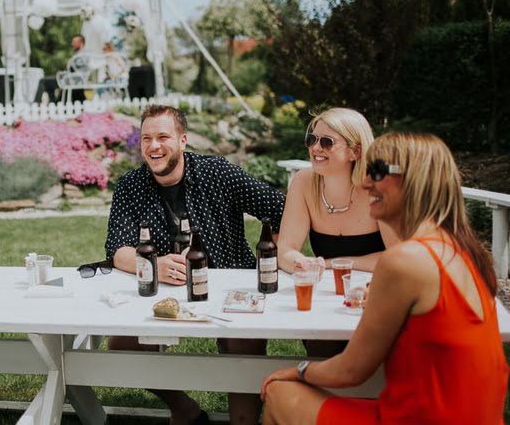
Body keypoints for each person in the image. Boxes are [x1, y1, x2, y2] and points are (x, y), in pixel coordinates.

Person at [260, 132, 508, 425]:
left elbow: (351, 371)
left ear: (413, 181)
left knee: (279, 391)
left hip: (419, 418)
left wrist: (297, 370)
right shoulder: (464, 251)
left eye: (376, 173)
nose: (365, 183)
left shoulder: (405, 261)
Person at [105, 104, 286, 425]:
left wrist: (283, 254)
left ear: (183, 140)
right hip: (167, 295)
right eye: (146, 138)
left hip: (231, 290)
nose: (154, 146)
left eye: (163, 136)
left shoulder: (218, 173)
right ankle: (185, 408)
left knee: (243, 418)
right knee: (121, 346)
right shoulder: (129, 186)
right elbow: (117, 250)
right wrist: (153, 264)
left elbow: (280, 207)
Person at [277, 108, 398, 356]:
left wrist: (331, 263)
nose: (315, 148)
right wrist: (302, 263)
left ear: (355, 151)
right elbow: (285, 250)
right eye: (312, 139)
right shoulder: (303, 182)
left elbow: (399, 259)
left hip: (379, 296)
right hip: (328, 298)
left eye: (326, 142)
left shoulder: (380, 186)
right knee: (321, 348)